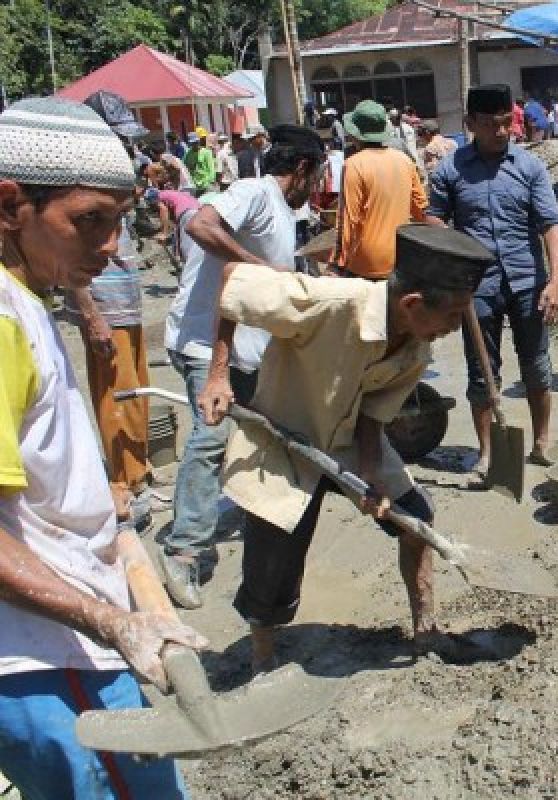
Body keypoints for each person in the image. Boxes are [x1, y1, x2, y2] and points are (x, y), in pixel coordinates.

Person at [0, 95, 207, 800]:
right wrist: (112, 618)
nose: (113, 244)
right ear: (9, 207)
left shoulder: (29, 301)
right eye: (89, 221)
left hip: (73, 638)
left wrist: (111, 520)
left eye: (120, 221)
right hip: (43, 660)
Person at [200, 224, 494, 671]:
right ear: (412, 304)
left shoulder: (415, 349)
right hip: (283, 441)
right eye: (452, 317)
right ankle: (262, 656)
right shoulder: (330, 302)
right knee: (274, 556)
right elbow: (234, 278)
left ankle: (425, 629)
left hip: (349, 441)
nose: (454, 329)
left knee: (417, 519)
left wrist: (372, 477)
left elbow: (375, 417)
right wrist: (218, 375)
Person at [156, 125, 327, 609]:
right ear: (303, 169)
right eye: (316, 177)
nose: (315, 187)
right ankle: (184, 550)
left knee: (258, 433)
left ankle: (249, 513)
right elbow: (199, 226)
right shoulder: (255, 191)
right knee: (211, 438)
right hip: (202, 345)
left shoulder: (280, 210)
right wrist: (255, 265)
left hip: (239, 349)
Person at [428, 84, 558, 471]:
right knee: (481, 371)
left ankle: (541, 442)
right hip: (476, 288)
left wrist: (555, 281)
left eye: (506, 123)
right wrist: (451, 249)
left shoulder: (529, 167)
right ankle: (488, 452)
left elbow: (551, 224)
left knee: (537, 364)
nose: (501, 131)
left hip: (527, 283)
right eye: (490, 124)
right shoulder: (450, 169)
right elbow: (433, 215)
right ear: (470, 124)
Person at [64, 96, 163, 530]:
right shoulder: (77, 186)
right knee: (115, 396)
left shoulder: (112, 181)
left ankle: (140, 471)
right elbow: (71, 261)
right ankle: (124, 480)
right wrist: (89, 314)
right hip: (103, 304)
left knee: (137, 389)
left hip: (128, 299)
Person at [335, 100, 428, 281]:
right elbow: (421, 210)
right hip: (401, 255)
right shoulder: (404, 161)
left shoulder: (354, 164)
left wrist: (337, 263)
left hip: (366, 262)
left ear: (356, 135)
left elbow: (348, 219)